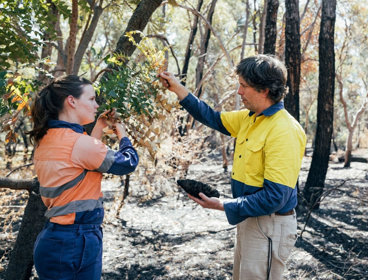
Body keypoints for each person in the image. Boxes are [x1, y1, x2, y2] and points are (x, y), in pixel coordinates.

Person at [159, 54, 306, 280]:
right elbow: (213, 118)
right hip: (251, 220)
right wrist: (179, 89)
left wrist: (223, 205)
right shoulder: (251, 118)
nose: (239, 92)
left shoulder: (284, 130)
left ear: (264, 90)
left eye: (244, 86)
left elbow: (275, 196)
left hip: (270, 226)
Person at [29, 75, 139, 280]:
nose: (96, 105)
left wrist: (98, 127)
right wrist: (122, 132)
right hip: (77, 242)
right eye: (91, 99)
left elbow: (80, 163)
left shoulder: (47, 139)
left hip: (54, 240)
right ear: (71, 101)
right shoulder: (79, 144)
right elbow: (128, 162)